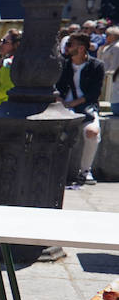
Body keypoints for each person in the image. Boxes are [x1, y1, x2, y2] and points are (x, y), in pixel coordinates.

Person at [56, 31, 105, 186]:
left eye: (70, 45)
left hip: (85, 107)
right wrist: (61, 101)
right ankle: (54, 169)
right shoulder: (62, 64)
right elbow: (55, 87)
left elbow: (93, 94)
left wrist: (72, 104)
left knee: (92, 132)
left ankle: (85, 171)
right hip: (63, 107)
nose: (67, 48)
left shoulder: (97, 66)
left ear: (82, 48)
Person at [98, 26, 119, 115]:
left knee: (113, 97)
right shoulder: (109, 46)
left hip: (112, 77)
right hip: (106, 75)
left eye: (107, 35)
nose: (105, 37)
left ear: (113, 35)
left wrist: (109, 75)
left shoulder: (116, 47)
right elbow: (100, 58)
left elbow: (115, 63)